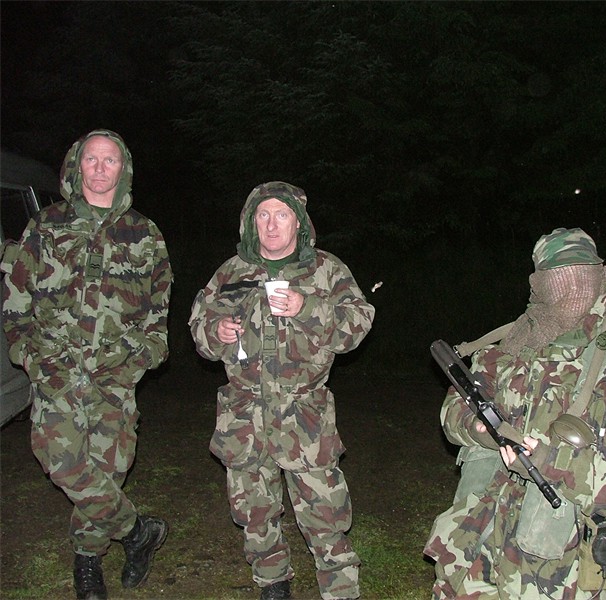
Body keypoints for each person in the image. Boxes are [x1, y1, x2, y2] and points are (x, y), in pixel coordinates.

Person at [424, 228, 606, 599]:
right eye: (559, 279)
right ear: (539, 283)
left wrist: (551, 461)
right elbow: (455, 404)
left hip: (557, 566)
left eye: (580, 277)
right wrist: (477, 427)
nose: (571, 290)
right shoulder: (516, 341)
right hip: (476, 541)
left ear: (599, 276)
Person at [1, 130, 173, 600]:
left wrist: (136, 362)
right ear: (76, 166)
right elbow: (16, 305)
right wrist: (30, 357)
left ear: (124, 169)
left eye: (110, 160)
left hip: (115, 377)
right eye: (91, 159)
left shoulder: (145, 235)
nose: (100, 168)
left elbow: (158, 319)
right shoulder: (44, 227)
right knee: (59, 459)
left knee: (108, 467)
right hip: (56, 370)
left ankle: (88, 562)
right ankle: (138, 531)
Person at [188, 181, 374, 600]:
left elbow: (357, 324)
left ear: (299, 223)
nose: (272, 225)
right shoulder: (231, 271)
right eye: (263, 216)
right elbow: (199, 327)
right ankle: (273, 583)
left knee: (326, 515)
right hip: (244, 414)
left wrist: (306, 307)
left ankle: (341, 590)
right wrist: (215, 331)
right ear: (251, 223)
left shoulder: (327, 269)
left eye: (282, 215)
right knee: (254, 513)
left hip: (303, 415)